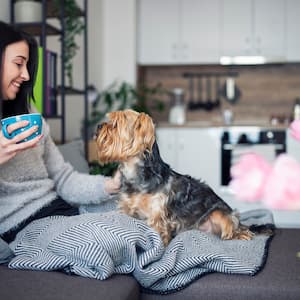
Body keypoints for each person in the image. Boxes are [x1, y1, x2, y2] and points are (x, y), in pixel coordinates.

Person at [0, 21, 120, 244]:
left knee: (145, 211)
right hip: (23, 225)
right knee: (112, 240)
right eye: (18, 64)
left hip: (59, 208)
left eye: (27, 65)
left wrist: (110, 185)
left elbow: (64, 178)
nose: (26, 75)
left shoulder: (28, 113)